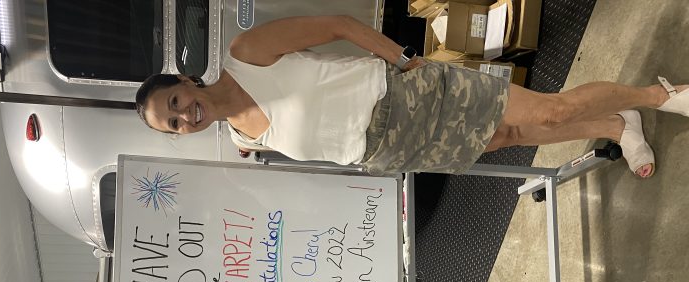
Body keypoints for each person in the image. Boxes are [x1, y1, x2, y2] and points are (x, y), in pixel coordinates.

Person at [134, 15, 689, 179]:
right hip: (390, 151)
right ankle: (617, 125)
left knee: (550, 109)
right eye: (173, 125)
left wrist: (404, 59)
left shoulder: (245, 54)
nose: (184, 117)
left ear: (183, 82)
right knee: (510, 136)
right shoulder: (243, 140)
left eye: (174, 105)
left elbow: (337, 25)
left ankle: (658, 94)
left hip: (403, 97)